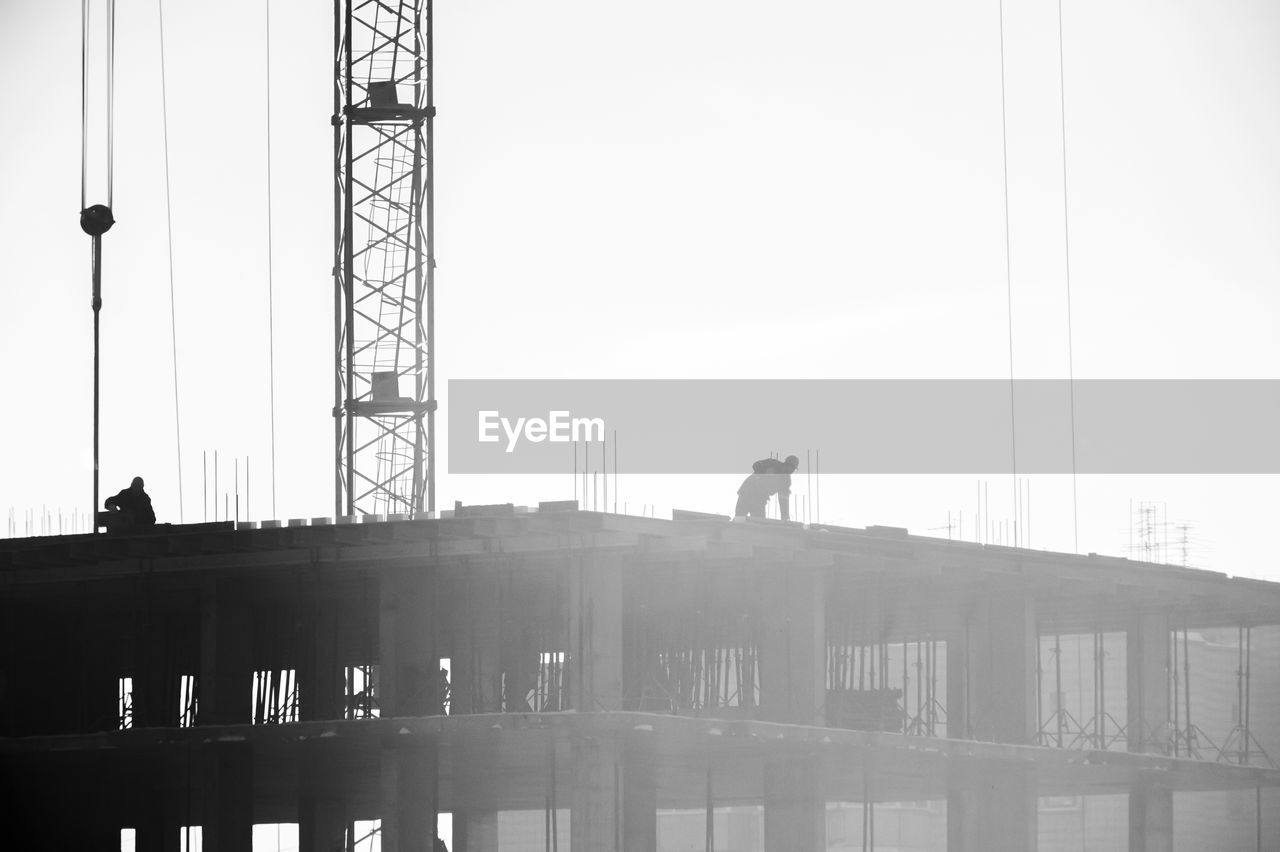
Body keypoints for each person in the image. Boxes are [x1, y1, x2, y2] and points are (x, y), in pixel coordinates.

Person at [734, 455, 799, 520]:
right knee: (739, 518)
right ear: (787, 464)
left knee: (759, 522)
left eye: (794, 469)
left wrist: (785, 517)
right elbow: (756, 465)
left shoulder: (786, 481)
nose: (792, 471)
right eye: (792, 468)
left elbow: (783, 499)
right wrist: (761, 468)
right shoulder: (772, 463)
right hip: (747, 493)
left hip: (760, 499)